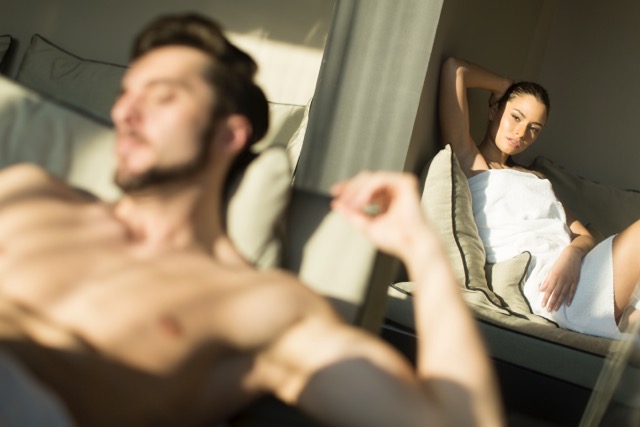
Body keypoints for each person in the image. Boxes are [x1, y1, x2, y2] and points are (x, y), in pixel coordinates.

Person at [0, 15, 504, 427]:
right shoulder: (28, 192)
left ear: (228, 135)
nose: (127, 112)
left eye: (161, 96)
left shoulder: (261, 306)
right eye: (126, 94)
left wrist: (421, 247)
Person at [439, 57, 640, 339]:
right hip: (551, 288)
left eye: (534, 128)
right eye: (516, 117)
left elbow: (583, 235)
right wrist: (505, 86)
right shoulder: (473, 163)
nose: (521, 133)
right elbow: (455, 70)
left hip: (576, 269)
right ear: (494, 110)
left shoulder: (537, 179)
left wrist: (572, 253)